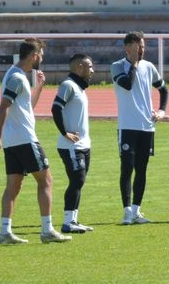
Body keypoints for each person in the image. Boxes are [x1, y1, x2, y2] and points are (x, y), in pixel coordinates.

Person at [0, 38, 71, 244]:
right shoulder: (17, 78)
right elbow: (3, 106)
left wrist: (39, 87)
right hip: (25, 139)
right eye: (40, 54)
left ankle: (5, 232)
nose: (41, 58)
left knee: (13, 187)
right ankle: (47, 230)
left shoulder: (16, 76)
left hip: (13, 141)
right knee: (46, 181)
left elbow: (25, 108)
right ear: (34, 55)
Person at [111, 31, 169, 225]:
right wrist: (134, 63)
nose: (143, 50)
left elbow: (163, 88)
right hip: (127, 127)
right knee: (126, 168)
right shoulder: (117, 66)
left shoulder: (149, 67)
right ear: (128, 48)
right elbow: (127, 84)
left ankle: (136, 211)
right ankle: (126, 211)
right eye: (138, 47)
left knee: (141, 169)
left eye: (144, 46)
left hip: (147, 127)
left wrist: (161, 110)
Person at [52, 54, 95, 233]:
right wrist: (65, 133)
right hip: (71, 146)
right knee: (76, 180)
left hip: (83, 144)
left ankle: (74, 220)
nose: (92, 70)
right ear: (79, 67)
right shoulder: (68, 85)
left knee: (79, 181)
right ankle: (68, 222)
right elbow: (55, 108)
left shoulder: (79, 88)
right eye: (89, 66)